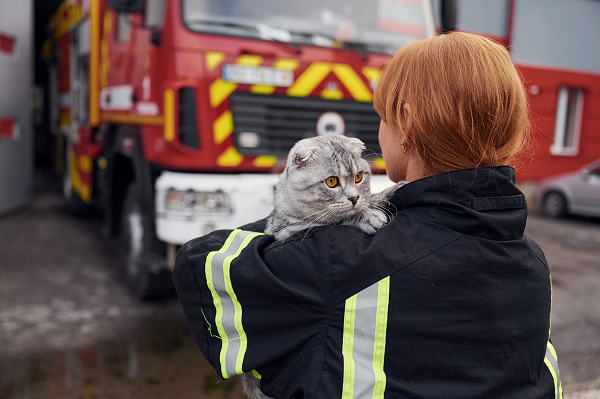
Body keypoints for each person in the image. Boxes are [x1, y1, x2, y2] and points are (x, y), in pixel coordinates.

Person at [173, 32, 563, 399]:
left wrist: (305, 212)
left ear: (407, 122)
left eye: (383, 115)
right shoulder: (532, 263)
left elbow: (197, 265)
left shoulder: (335, 260)